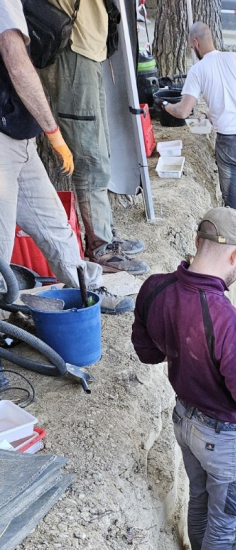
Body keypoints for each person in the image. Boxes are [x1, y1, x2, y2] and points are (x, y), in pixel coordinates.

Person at [131, 208, 236, 550]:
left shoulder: (155, 289)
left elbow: (148, 352)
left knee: (201, 496)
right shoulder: (229, 321)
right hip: (225, 437)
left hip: (185, 420)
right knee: (228, 516)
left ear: (197, 243)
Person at [0, 0, 133, 314]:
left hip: (16, 130)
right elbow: (18, 66)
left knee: (54, 225)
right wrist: (54, 134)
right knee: (1, 248)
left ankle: (88, 289)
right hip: (3, 137)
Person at [43, 0, 148, 275]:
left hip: (89, 51)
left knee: (99, 151)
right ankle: (99, 248)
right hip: (74, 50)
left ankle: (105, 237)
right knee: (90, 158)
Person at [162, 23, 236, 272]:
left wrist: (165, 104)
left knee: (233, 206)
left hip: (228, 144)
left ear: (195, 43)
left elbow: (182, 111)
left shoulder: (198, 70)